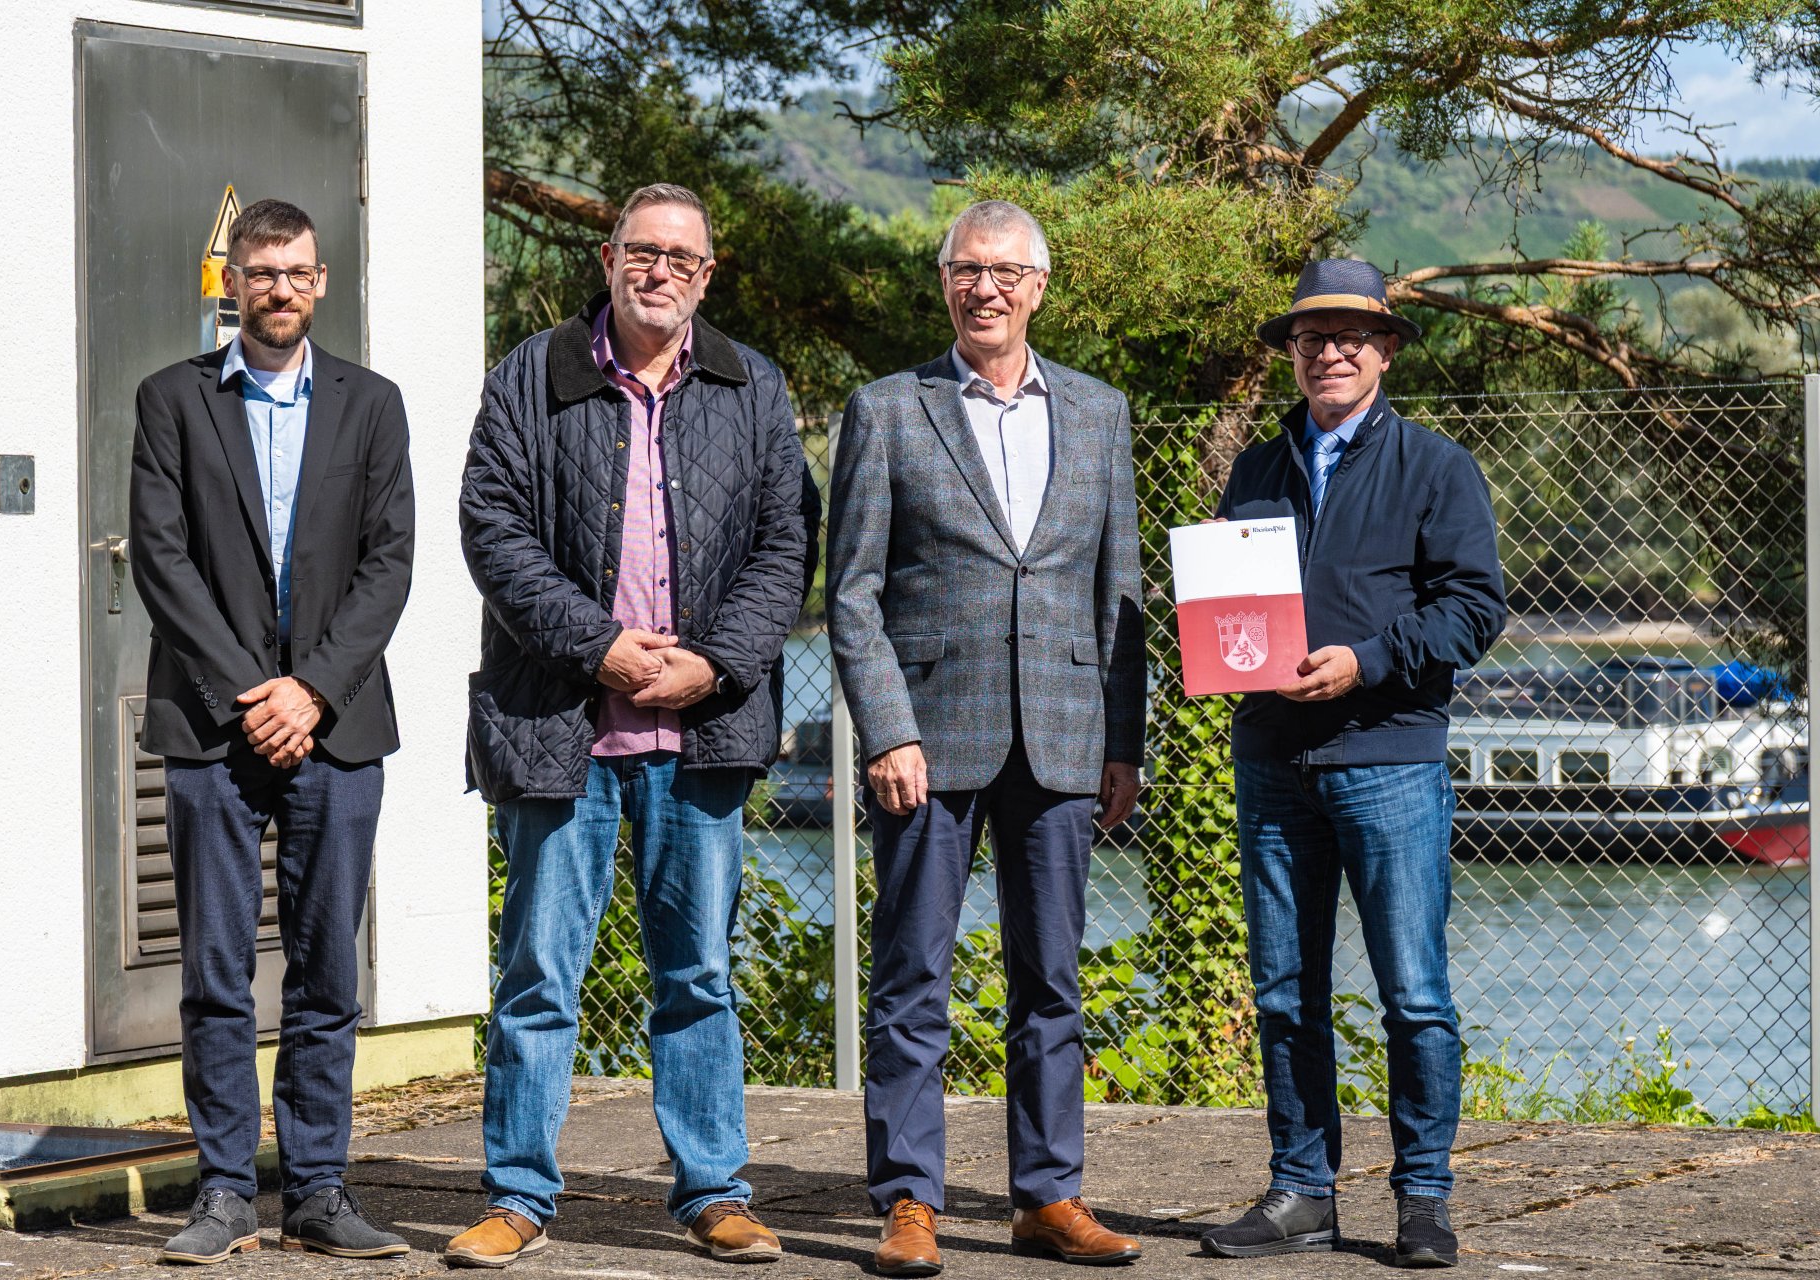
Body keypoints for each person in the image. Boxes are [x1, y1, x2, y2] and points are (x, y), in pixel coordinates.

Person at [449, 184, 809, 1269]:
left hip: (699, 735)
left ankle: (713, 1188)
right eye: (642, 252)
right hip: (560, 725)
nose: (660, 270)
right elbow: (492, 526)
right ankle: (518, 1193)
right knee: (538, 975)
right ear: (608, 259)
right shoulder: (530, 376)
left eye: (682, 258)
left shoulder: (751, 387)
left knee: (697, 972)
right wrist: (595, 644)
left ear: (708, 274)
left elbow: (787, 544)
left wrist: (715, 661)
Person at [827, 200, 1147, 1276]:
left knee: (1051, 977)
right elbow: (855, 593)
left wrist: (1124, 742)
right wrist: (887, 727)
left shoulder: (1101, 414)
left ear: (1041, 287)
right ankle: (910, 1197)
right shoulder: (886, 410)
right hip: (926, 741)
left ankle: (1049, 1194)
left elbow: (1121, 596)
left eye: (1007, 272)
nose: (987, 288)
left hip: (1061, 736)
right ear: (945, 282)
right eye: (968, 269)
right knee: (914, 974)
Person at [1200, 258, 1506, 1269]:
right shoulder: (1254, 469)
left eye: (1349, 335)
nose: (1328, 350)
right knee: (1284, 991)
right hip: (1274, 760)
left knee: (1414, 992)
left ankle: (1423, 1195)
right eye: (1309, 336)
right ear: (1292, 353)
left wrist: (1367, 660)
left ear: (1382, 352)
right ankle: (1301, 1190)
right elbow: (1232, 613)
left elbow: (1474, 608)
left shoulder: (1437, 467)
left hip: (1389, 758)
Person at [129, 198, 415, 1264]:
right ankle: (221, 1189)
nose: (280, 289)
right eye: (261, 273)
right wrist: (260, 689)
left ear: (322, 281)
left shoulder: (372, 404)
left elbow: (391, 562)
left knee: (325, 966)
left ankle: (321, 1190)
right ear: (232, 284)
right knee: (212, 969)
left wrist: (313, 692)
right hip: (211, 723)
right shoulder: (171, 400)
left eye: (297, 272)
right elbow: (162, 560)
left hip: (337, 729)